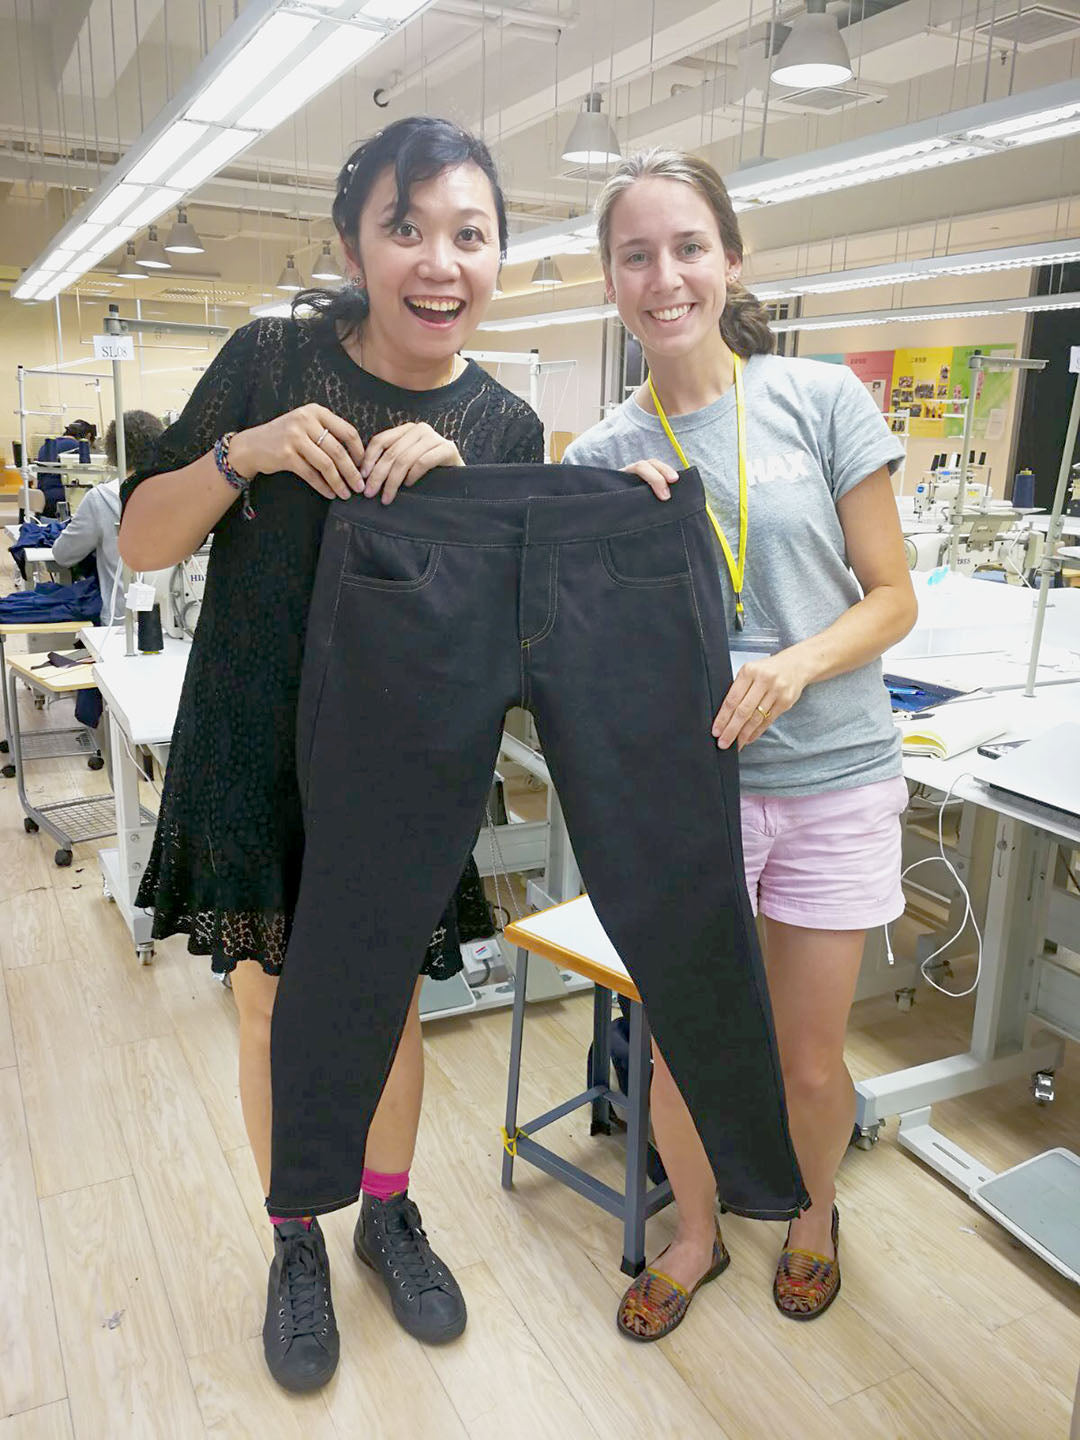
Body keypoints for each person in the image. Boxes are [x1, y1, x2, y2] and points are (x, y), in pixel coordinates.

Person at [119, 116, 543, 1392]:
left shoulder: (503, 424)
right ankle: (295, 1235)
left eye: (469, 234)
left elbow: (514, 632)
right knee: (267, 1004)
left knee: (390, 996)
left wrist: (464, 493)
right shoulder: (269, 359)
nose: (438, 261)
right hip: (254, 739)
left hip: (402, 761)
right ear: (354, 246)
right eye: (405, 228)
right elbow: (141, 541)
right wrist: (242, 452)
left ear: (498, 254)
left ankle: (388, 1214)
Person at [564, 148, 917, 1340]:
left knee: (809, 1062)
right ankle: (697, 1233)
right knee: (681, 1054)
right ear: (610, 279)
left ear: (731, 259)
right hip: (692, 801)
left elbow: (892, 599)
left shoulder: (820, 401)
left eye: (688, 248)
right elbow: (585, 657)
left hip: (832, 779)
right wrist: (618, 534)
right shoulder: (600, 456)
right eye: (636, 256)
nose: (664, 278)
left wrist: (794, 663)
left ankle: (813, 1216)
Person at [51, 409, 164, 620]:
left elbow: (63, 555)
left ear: (112, 450)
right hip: (177, 619)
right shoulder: (178, 492)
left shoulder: (100, 498)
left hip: (120, 623)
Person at [35, 418, 97, 517]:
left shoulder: (45, 446)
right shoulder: (78, 447)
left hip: (43, 501)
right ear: (88, 436)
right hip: (61, 502)